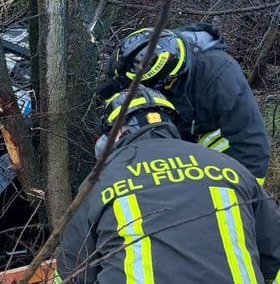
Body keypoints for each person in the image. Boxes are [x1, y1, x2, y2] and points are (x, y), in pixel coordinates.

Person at [58, 86, 280, 283]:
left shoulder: (100, 180)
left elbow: (74, 273)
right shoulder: (228, 166)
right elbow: (273, 256)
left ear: (115, 134)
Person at [101, 24, 271, 184]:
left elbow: (251, 146)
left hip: (211, 141)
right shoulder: (131, 61)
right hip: (176, 133)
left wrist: (249, 197)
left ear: (170, 80)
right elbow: (110, 91)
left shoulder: (220, 76)